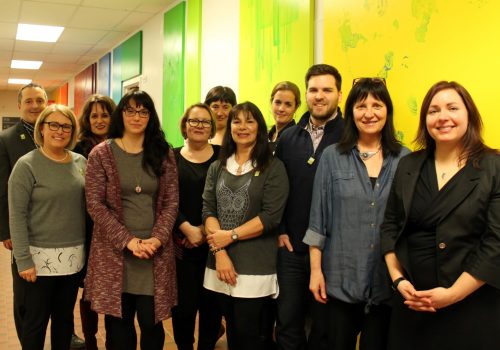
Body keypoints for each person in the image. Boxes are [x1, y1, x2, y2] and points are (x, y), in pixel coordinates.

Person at [380, 81, 500, 349]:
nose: (443, 117)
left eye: (452, 108)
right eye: (433, 110)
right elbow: (390, 226)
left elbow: (496, 243)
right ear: (425, 120)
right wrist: (398, 280)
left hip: (471, 305)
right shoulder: (409, 164)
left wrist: (453, 295)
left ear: (469, 115)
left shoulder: (493, 167)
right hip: (412, 302)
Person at [304, 78, 410, 349]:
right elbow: (318, 220)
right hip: (340, 278)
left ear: (388, 111)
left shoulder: (405, 159)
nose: (369, 113)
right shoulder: (332, 156)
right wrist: (316, 272)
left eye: (377, 105)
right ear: (351, 111)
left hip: (387, 281)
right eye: (361, 106)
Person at [84, 90, 178, 350]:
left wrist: (156, 239)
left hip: (153, 254)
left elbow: (171, 201)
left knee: (151, 322)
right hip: (115, 254)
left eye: (143, 111)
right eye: (130, 110)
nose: (137, 116)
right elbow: (95, 204)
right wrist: (129, 241)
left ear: (151, 116)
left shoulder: (162, 152)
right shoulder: (101, 154)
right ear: (121, 114)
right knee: (118, 327)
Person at [202, 101, 289, 350]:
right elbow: (208, 209)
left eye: (249, 121)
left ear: (259, 128)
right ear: (229, 127)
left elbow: (271, 216)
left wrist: (229, 236)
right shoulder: (217, 166)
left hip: (255, 265)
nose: (242, 127)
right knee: (231, 331)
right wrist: (220, 253)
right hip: (219, 263)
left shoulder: (273, 167)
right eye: (236, 121)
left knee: (249, 335)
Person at [275, 64, 345, 350]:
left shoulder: (351, 136)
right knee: (288, 325)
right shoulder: (288, 137)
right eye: (313, 90)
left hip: (332, 252)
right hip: (291, 249)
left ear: (339, 94)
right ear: (306, 93)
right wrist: (279, 230)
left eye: (327, 90)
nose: (319, 96)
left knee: (324, 329)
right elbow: (275, 190)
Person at [8, 104, 87, 349]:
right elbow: (17, 215)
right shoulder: (26, 164)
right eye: (53, 124)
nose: (60, 131)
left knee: (64, 322)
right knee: (34, 324)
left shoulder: (80, 162)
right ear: (42, 128)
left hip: (72, 259)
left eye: (66, 126)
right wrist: (23, 259)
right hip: (37, 260)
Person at [171, 103, 223, 350]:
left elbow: (229, 199)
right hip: (181, 245)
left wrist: (202, 230)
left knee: (212, 309)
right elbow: (164, 199)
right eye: (194, 121)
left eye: (205, 122)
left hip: (216, 245)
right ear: (185, 125)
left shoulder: (224, 156)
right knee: (183, 310)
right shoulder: (170, 157)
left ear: (212, 127)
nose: (199, 126)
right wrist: (185, 228)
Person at [0, 83, 48, 341]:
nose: (35, 106)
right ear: (20, 106)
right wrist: (6, 230)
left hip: (53, 227)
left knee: (54, 289)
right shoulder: (7, 139)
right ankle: (27, 338)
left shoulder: (58, 133)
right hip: (22, 228)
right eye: (29, 101)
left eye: (39, 101)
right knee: (25, 292)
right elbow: (1, 188)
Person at [73, 93, 116, 350]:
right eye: (94, 115)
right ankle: (90, 342)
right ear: (87, 119)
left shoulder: (124, 145)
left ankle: (114, 340)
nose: (99, 120)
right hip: (88, 229)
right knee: (88, 290)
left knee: (113, 287)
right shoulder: (78, 150)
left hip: (117, 230)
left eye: (105, 114)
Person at [268, 81, 301, 151]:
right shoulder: (265, 135)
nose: (281, 109)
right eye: (278, 102)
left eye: (288, 104)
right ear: (271, 103)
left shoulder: (297, 139)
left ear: (296, 108)